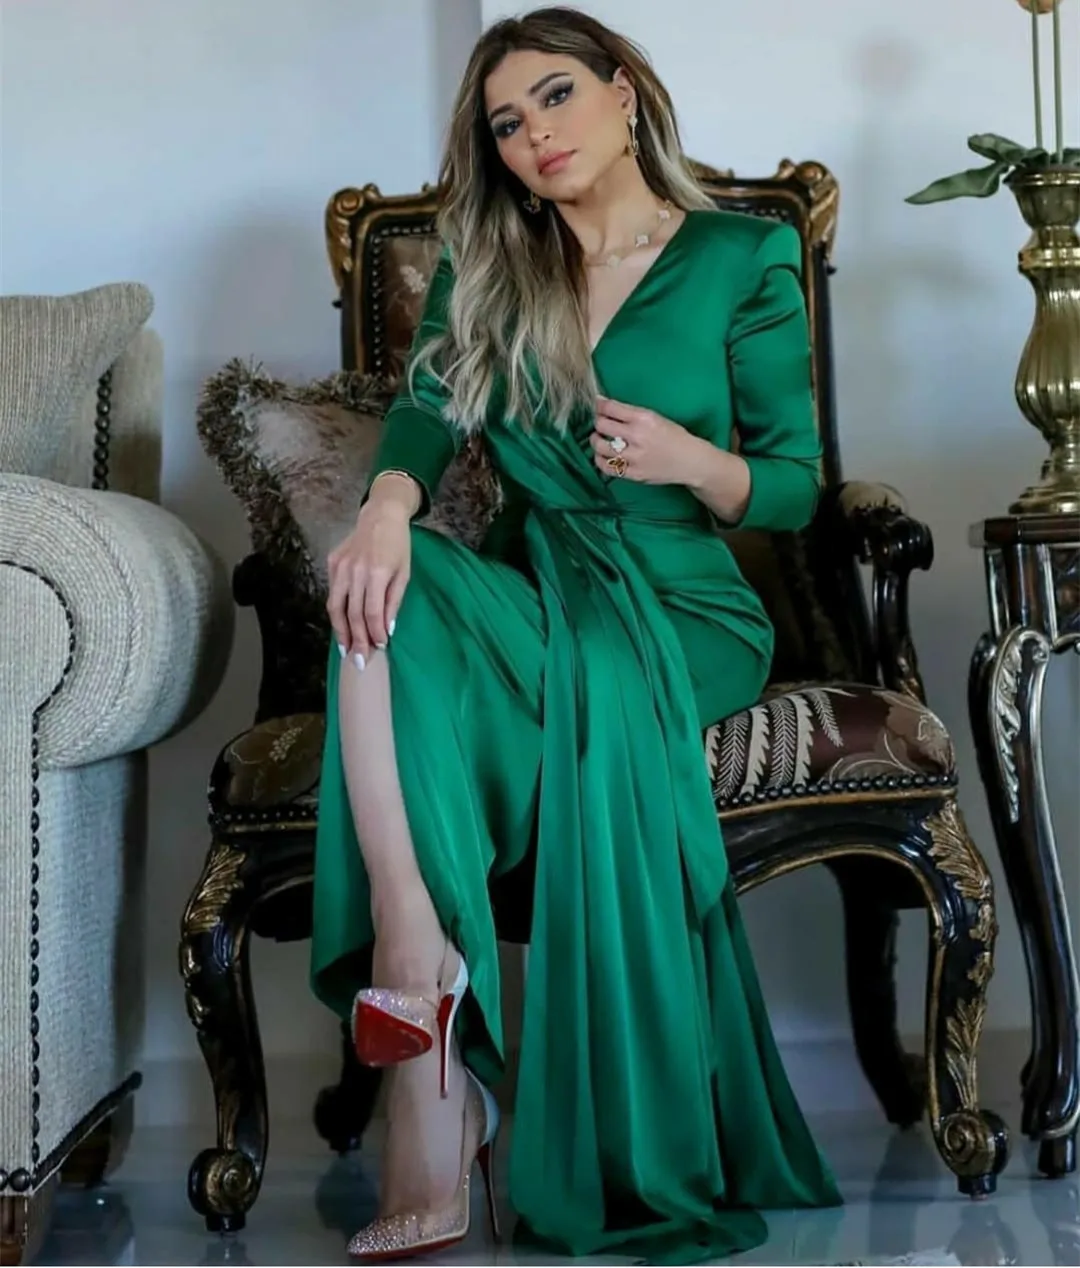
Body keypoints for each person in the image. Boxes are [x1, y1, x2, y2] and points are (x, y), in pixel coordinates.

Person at [313, 6, 842, 1263]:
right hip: (539, 579)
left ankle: (434, 1066)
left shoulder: (743, 253)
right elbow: (426, 412)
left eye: (555, 95)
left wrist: (692, 459)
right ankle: (413, 943)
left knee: (567, 660)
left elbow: (795, 484)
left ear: (621, 94)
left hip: (683, 601)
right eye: (507, 122)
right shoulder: (491, 261)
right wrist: (383, 511)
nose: (535, 134)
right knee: (383, 594)